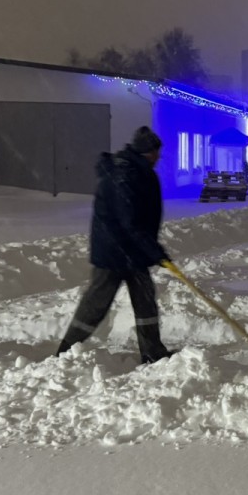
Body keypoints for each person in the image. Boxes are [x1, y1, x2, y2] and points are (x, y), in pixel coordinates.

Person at [56, 126, 175, 364]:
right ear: (145, 152)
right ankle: (65, 351)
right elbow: (130, 221)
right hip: (113, 252)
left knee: (145, 301)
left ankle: (153, 352)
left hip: (134, 252)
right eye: (155, 152)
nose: (158, 157)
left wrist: (149, 249)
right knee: (96, 304)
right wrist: (156, 252)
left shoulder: (139, 171)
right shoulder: (124, 174)